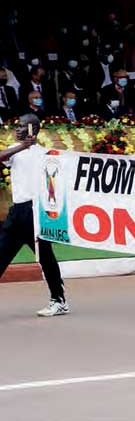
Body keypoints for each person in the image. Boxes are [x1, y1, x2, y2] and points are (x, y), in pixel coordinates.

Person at [0, 114, 68, 317]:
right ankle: (59, 300)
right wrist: (22, 146)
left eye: (22, 126)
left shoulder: (45, 154)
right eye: (17, 125)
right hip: (17, 212)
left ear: (33, 129)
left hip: (35, 211)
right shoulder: (15, 151)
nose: (18, 129)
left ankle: (59, 300)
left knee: (46, 257)